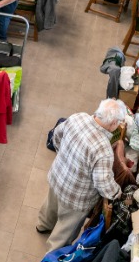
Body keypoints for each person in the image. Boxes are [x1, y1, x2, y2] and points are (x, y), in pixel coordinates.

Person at [37, 99, 126, 253]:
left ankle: (43, 225)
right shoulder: (103, 149)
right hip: (76, 197)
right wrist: (117, 193)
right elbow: (103, 184)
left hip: (57, 176)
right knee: (65, 229)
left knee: (50, 205)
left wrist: (64, 156)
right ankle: (52, 254)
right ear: (113, 123)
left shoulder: (77, 117)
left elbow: (56, 135)